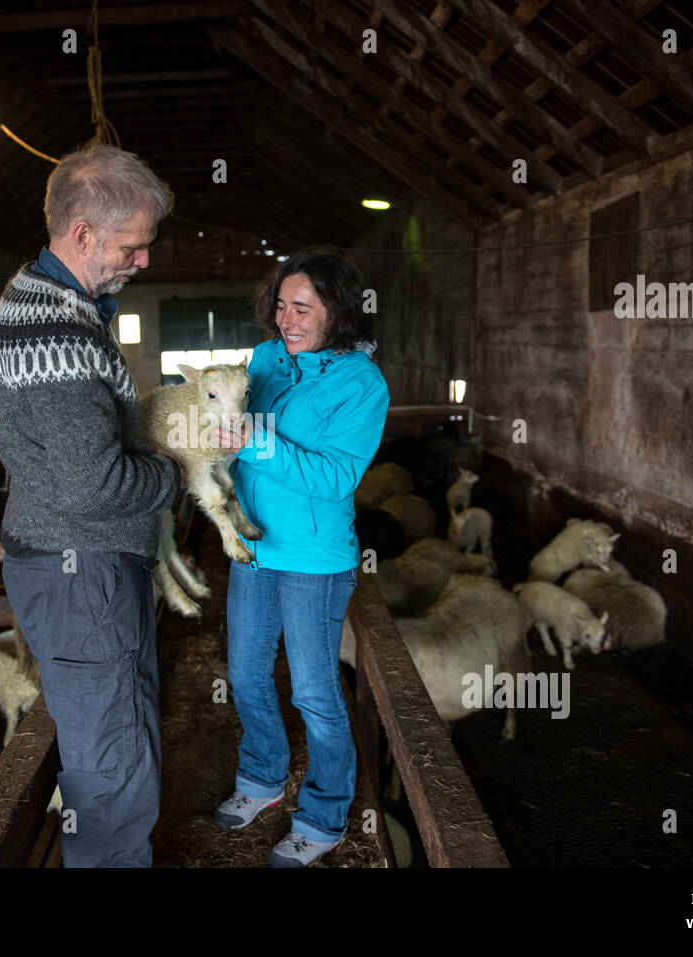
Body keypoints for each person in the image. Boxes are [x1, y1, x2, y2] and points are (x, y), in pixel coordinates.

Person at [0, 145, 181, 867]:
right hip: (83, 574)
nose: (143, 261)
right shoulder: (60, 334)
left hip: (71, 568)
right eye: (133, 247)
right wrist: (171, 476)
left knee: (115, 734)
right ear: (83, 236)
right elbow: (94, 486)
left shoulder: (44, 295)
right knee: (112, 772)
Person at [211, 248, 390, 867]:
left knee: (315, 692)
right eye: (282, 305)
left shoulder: (361, 384)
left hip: (313, 560)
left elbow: (337, 477)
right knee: (246, 674)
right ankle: (262, 780)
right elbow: (220, 411)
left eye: (303, 308)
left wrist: (255, 443)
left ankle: (324, 815)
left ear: (337, 311)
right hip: (251, 544)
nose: (287, 319)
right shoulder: (264, 361)